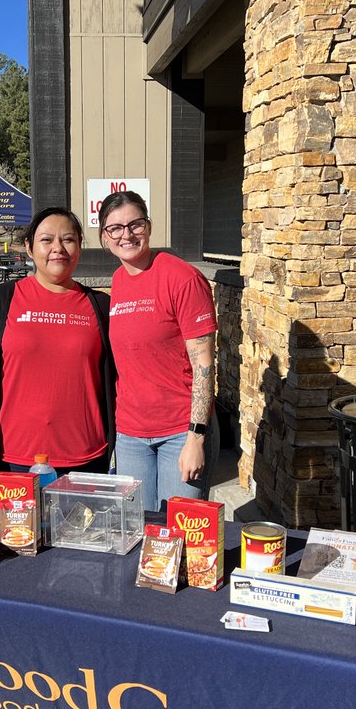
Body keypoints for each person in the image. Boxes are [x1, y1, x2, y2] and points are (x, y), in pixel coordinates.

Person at [0, 207, 115, 483]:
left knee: (82, 528)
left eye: (68, 239)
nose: (58, 248)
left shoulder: (99, 306)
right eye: (46, 240)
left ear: (79, 247)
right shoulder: (1, 301)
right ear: (29, 248)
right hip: (13, 457)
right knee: (19, 529)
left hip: (87, 457)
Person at [99, 190, 217, 512]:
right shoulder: (118, 280)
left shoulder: (182, 278)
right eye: (116, 228)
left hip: (180, 431)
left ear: (149, 227)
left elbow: (204, 363)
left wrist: (196, 437)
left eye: (135, 224)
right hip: (132, 435)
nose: (127, 234)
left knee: (179, 535)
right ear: (105, 237)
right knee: (137, 530)